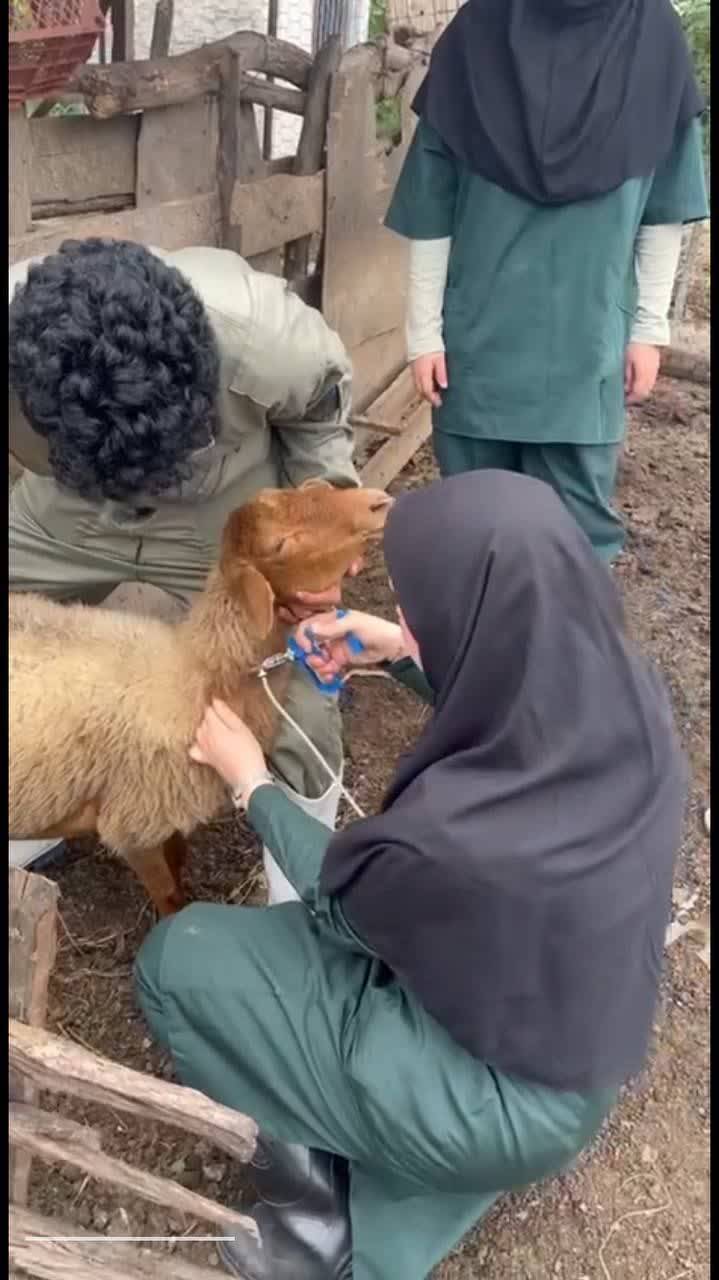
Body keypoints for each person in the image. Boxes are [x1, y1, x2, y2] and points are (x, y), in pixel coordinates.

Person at [134, 470, 687, 1280]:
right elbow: (515, 693)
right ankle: (413, 1154)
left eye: (419, 615)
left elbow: (340, 905)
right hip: (574, 1047)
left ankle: (310, 1215)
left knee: (181, 959)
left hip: (489, 1103)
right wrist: (400, 653)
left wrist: (250, 780)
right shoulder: (632, 703)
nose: (404, 621)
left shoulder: (452, 840)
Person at [8, 238, 359, 895]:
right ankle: (37, 796)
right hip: (70, 505)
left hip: (218, 512)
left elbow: (322, 408)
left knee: (297, 686)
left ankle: (303, 889)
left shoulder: (265, 339)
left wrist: (313, 532)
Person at [384, 0, 709, 563]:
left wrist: (650, 330)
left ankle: (559, 652)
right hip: (479, 352)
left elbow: (663, 210)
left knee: (573, 548)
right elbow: (432, 207)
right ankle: (472, 653)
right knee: (472, 537)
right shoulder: (478, 30)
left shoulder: (651, 33)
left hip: (586, 352)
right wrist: (423, 335)